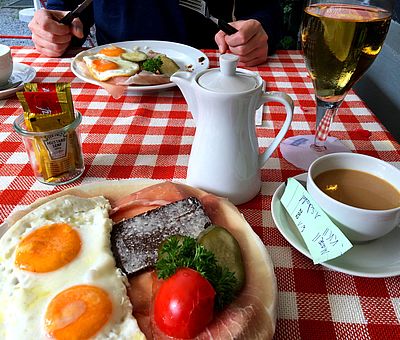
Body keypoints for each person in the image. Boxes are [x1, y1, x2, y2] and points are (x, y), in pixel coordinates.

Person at [28, 0, 283, 66]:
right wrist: (54, 27)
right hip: (113, 75)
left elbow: (265, 10)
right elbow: (67, 11)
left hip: (209, 70)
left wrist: (261, 29)